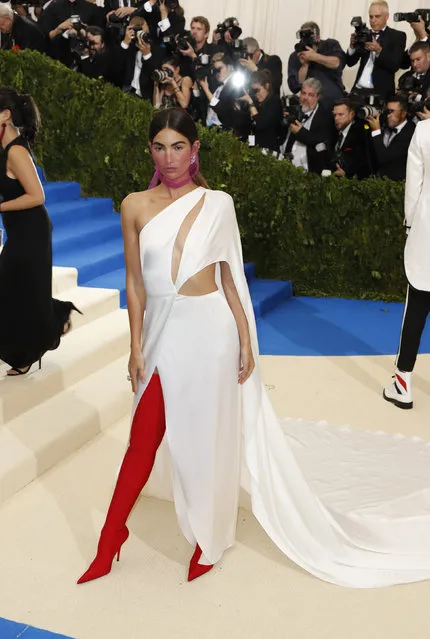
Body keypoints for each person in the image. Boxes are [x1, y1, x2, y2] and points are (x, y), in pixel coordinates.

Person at [76, 107, 430, 590]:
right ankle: (109, 536)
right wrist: (135, 346)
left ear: (195, 149)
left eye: (179, 146)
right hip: (161, 335)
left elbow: (229, 277)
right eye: (160, 146)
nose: (170, 156)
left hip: (212, 333)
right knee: (143, 438)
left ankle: (209, 535)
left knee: (209, 439)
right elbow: (135, 284)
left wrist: (244, 337)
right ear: (150, 150)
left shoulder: (218, 204)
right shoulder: (134, 205)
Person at [0, 88, 80, 376]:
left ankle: (30, 347)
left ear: (5, 116)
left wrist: (1, 207)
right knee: (18, 289)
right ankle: (53, 320)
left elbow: (37, 196)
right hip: (19, 229)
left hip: (31, 230)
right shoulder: (6, 148)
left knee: (14, 288)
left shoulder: (17, 151)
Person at [383, 119, 430, 408]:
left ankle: (403, 384)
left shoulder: (424, 130)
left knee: (416, 311)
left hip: (427, 236)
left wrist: (410, 226)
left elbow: (414, 185)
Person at [346, 1, 406, 101]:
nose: (373, 20)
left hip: (380, 94)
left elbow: (395, 65)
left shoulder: (397, 36)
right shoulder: (364, 34)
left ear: (386, 17)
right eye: (371, 17)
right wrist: (352, 47)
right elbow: (350, 62)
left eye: (377, 16)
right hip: (357, 91)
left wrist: (379, 51)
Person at [287, 21, 346, 110]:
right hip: (309, 106)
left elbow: (337, 63)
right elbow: (294, 87)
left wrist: (315, 57)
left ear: (318, 38)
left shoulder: (330, 45)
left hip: (332, 103)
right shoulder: (296, 55)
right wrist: (305, 65)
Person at [281, 78, 332, 174]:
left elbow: (321, 142)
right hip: (286, 163)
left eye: (310, 95)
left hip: (308, 169)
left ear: (317, 97)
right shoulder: (294, 110)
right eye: (303, 93)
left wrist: (300, 133)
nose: (305, 98)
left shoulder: (324, 116)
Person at [367, 94, 415, 181]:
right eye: (387, 111)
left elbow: (384, 158)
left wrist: (376, 131)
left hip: (396, 185)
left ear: (404, 113)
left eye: (392, 111)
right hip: (376, 181)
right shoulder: (383, 125)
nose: (388, 115)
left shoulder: (410, 132)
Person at [239, 70, 282, 152]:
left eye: (258, 90)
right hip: (254, 148)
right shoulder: (257, 103)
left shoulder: (274, 101)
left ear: (267, 86)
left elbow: (260, 124)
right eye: (253, 91)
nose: (256, 94)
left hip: (268, 150)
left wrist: (250, 103)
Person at [331, 99, 374, 179]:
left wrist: (346, 174)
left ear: (351, 114)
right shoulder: (334, 131)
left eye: (340, 115)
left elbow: (365, 163)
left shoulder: (361, 134)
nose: (336, 118)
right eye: (335, 115)